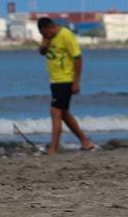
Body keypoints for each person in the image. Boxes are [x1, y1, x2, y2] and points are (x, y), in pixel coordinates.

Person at [37, 17, 96, 154]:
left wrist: (76, 81)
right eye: (42, 34)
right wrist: (45, 43)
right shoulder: (47, 36)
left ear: (51, 27)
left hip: (65, 79)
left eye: (45, 33)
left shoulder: (66, 35)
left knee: (55, 112)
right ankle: (85, 142)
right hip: (54, 80)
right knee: (63, 114)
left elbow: (78, 58)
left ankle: (53, 149)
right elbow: (42, 52)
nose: (44, 36)